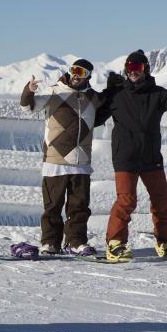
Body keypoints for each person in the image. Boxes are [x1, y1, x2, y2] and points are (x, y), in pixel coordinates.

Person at [97, 49, 167, 261]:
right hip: (125, 156)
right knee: (126, 201)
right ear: (126, 69)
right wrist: (105, 95)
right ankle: (115, 244)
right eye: (130, 67)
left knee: (161, 200)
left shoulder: (156, 94)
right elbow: (96, 118)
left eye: (138, 68)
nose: (134, 72)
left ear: (146, 70)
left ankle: (165, 243)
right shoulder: (116, 94)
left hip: (151, 156)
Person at [20, 59, 105, 256]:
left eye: (81, 72)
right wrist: (29, 90)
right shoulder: (54, 91)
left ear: (88, 76)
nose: (76, 74)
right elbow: (28, 107)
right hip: (55, 161)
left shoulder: (93, 97)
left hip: (81, 162)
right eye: (74, 70)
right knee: (52, 206)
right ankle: (50, 243)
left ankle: (75, 242)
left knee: (79, 207)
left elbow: (109, 107)